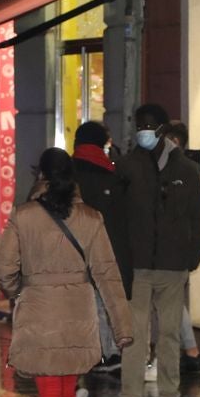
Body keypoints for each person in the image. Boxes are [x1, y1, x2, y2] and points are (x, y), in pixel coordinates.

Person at [0, 148, 133, 397]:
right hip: (77, 312)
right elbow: (108, 275)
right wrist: (122, 326)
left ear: (40, 176)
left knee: (49, 390)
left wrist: (17, 291)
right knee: (67, 387)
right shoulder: (90, 218)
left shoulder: (24, 217)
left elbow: (2, 265)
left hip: (39, 310)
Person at [113, 103, 200, 397]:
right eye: (139, 125)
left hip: (172, 268)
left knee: (169, 334)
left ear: (162, 131)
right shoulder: (127, 168)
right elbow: (117, 221)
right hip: (137, 268)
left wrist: (190, 259)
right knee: (134, 337)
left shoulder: (185, 170)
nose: (143, 131)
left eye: (148, 126)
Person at [69, 120, 126, 373]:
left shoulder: (67, 173)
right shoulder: (110, 172)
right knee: (103, 302)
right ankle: (108, 352)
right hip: (105, 247)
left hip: (72, 250)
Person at [162, 120, 200, 378]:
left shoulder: (185, 171)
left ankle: (191, 352)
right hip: (174, 250)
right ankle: (191, 352)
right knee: (174, 303)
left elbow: (196, 217)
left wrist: (193, 254)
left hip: (176, 250)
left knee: (173, 303)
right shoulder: (182, 169)